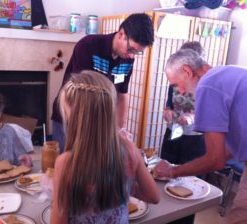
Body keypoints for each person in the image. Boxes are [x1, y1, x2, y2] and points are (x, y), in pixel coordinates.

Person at [50, 70, 160, 223]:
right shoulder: (129, 149)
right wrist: (123, 186)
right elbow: (153, 197)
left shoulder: (66, 162)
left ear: (74, 117)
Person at [154, 48, 247, 224]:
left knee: (240, 217)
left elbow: (216, 160)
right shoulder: (227, 73)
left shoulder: (206, 86)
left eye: (176, 85)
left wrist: (172, 171)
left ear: (187, 71)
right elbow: (228, 150)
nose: (179, 92)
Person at [51, 13, 154, 152]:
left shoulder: (128, 59)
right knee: (66, 165)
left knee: (91, 168)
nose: (131, 56)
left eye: (137, 53)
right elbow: (79, 95)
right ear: (121, 34)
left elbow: (121, 96)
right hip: (70, 116)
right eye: (131, 50)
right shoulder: (88, 45)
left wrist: (119, 130)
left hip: (97, 123)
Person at [160, 42, 207, 224]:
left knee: (190, 187)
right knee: (165, 179)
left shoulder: (206, 84)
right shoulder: (175, 81)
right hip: (173, 135)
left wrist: (192, 117)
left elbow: (210, 114)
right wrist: (168, 113)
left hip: (195, 141)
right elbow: (168, 106)